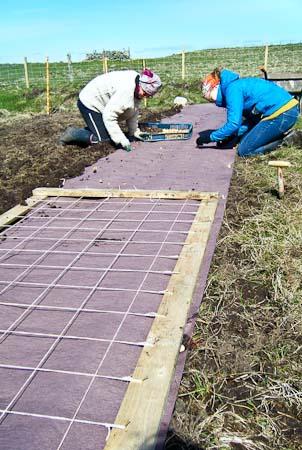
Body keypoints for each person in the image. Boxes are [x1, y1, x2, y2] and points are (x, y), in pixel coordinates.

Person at [196, 67, 300, 157]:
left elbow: (233, 123)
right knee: (245, 140)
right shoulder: (236, 86)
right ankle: (285, 136)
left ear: (215, 86)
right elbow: (251, 121)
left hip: (281, 114)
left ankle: (287, 141)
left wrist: (210, 137)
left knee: (245, 150)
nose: (209, 100)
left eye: (208, 96)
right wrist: (233, 137)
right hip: (288, 111)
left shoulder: (232, 89)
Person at [60, 69, 162, 151]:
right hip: (90, 102)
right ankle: (72, 133)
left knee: (107, 132)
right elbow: (109, 116)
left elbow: (132, 111)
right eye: (144, 93)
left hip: (104, 105)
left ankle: (96, 127)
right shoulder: (126, 91)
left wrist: (134, 132)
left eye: (147, 96)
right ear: (141, 85)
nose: (144, 96)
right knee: (103, 140)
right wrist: (121, 139)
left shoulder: (137, 86)